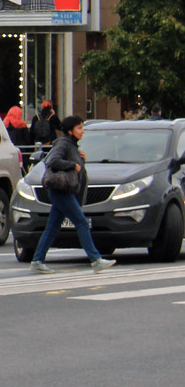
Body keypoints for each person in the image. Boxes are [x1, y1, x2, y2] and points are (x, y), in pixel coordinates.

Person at [31, 116, 116, 274]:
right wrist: (73, 164)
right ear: (70, 131)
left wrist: (80, 159)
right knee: (82, 223)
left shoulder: (70, 145)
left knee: (52, 227)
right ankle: (96, 260)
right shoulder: (63, 144)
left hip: (62, 191)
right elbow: (53, 161)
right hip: (61, 191)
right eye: (79, 128)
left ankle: (37, 260)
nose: (82, 131)